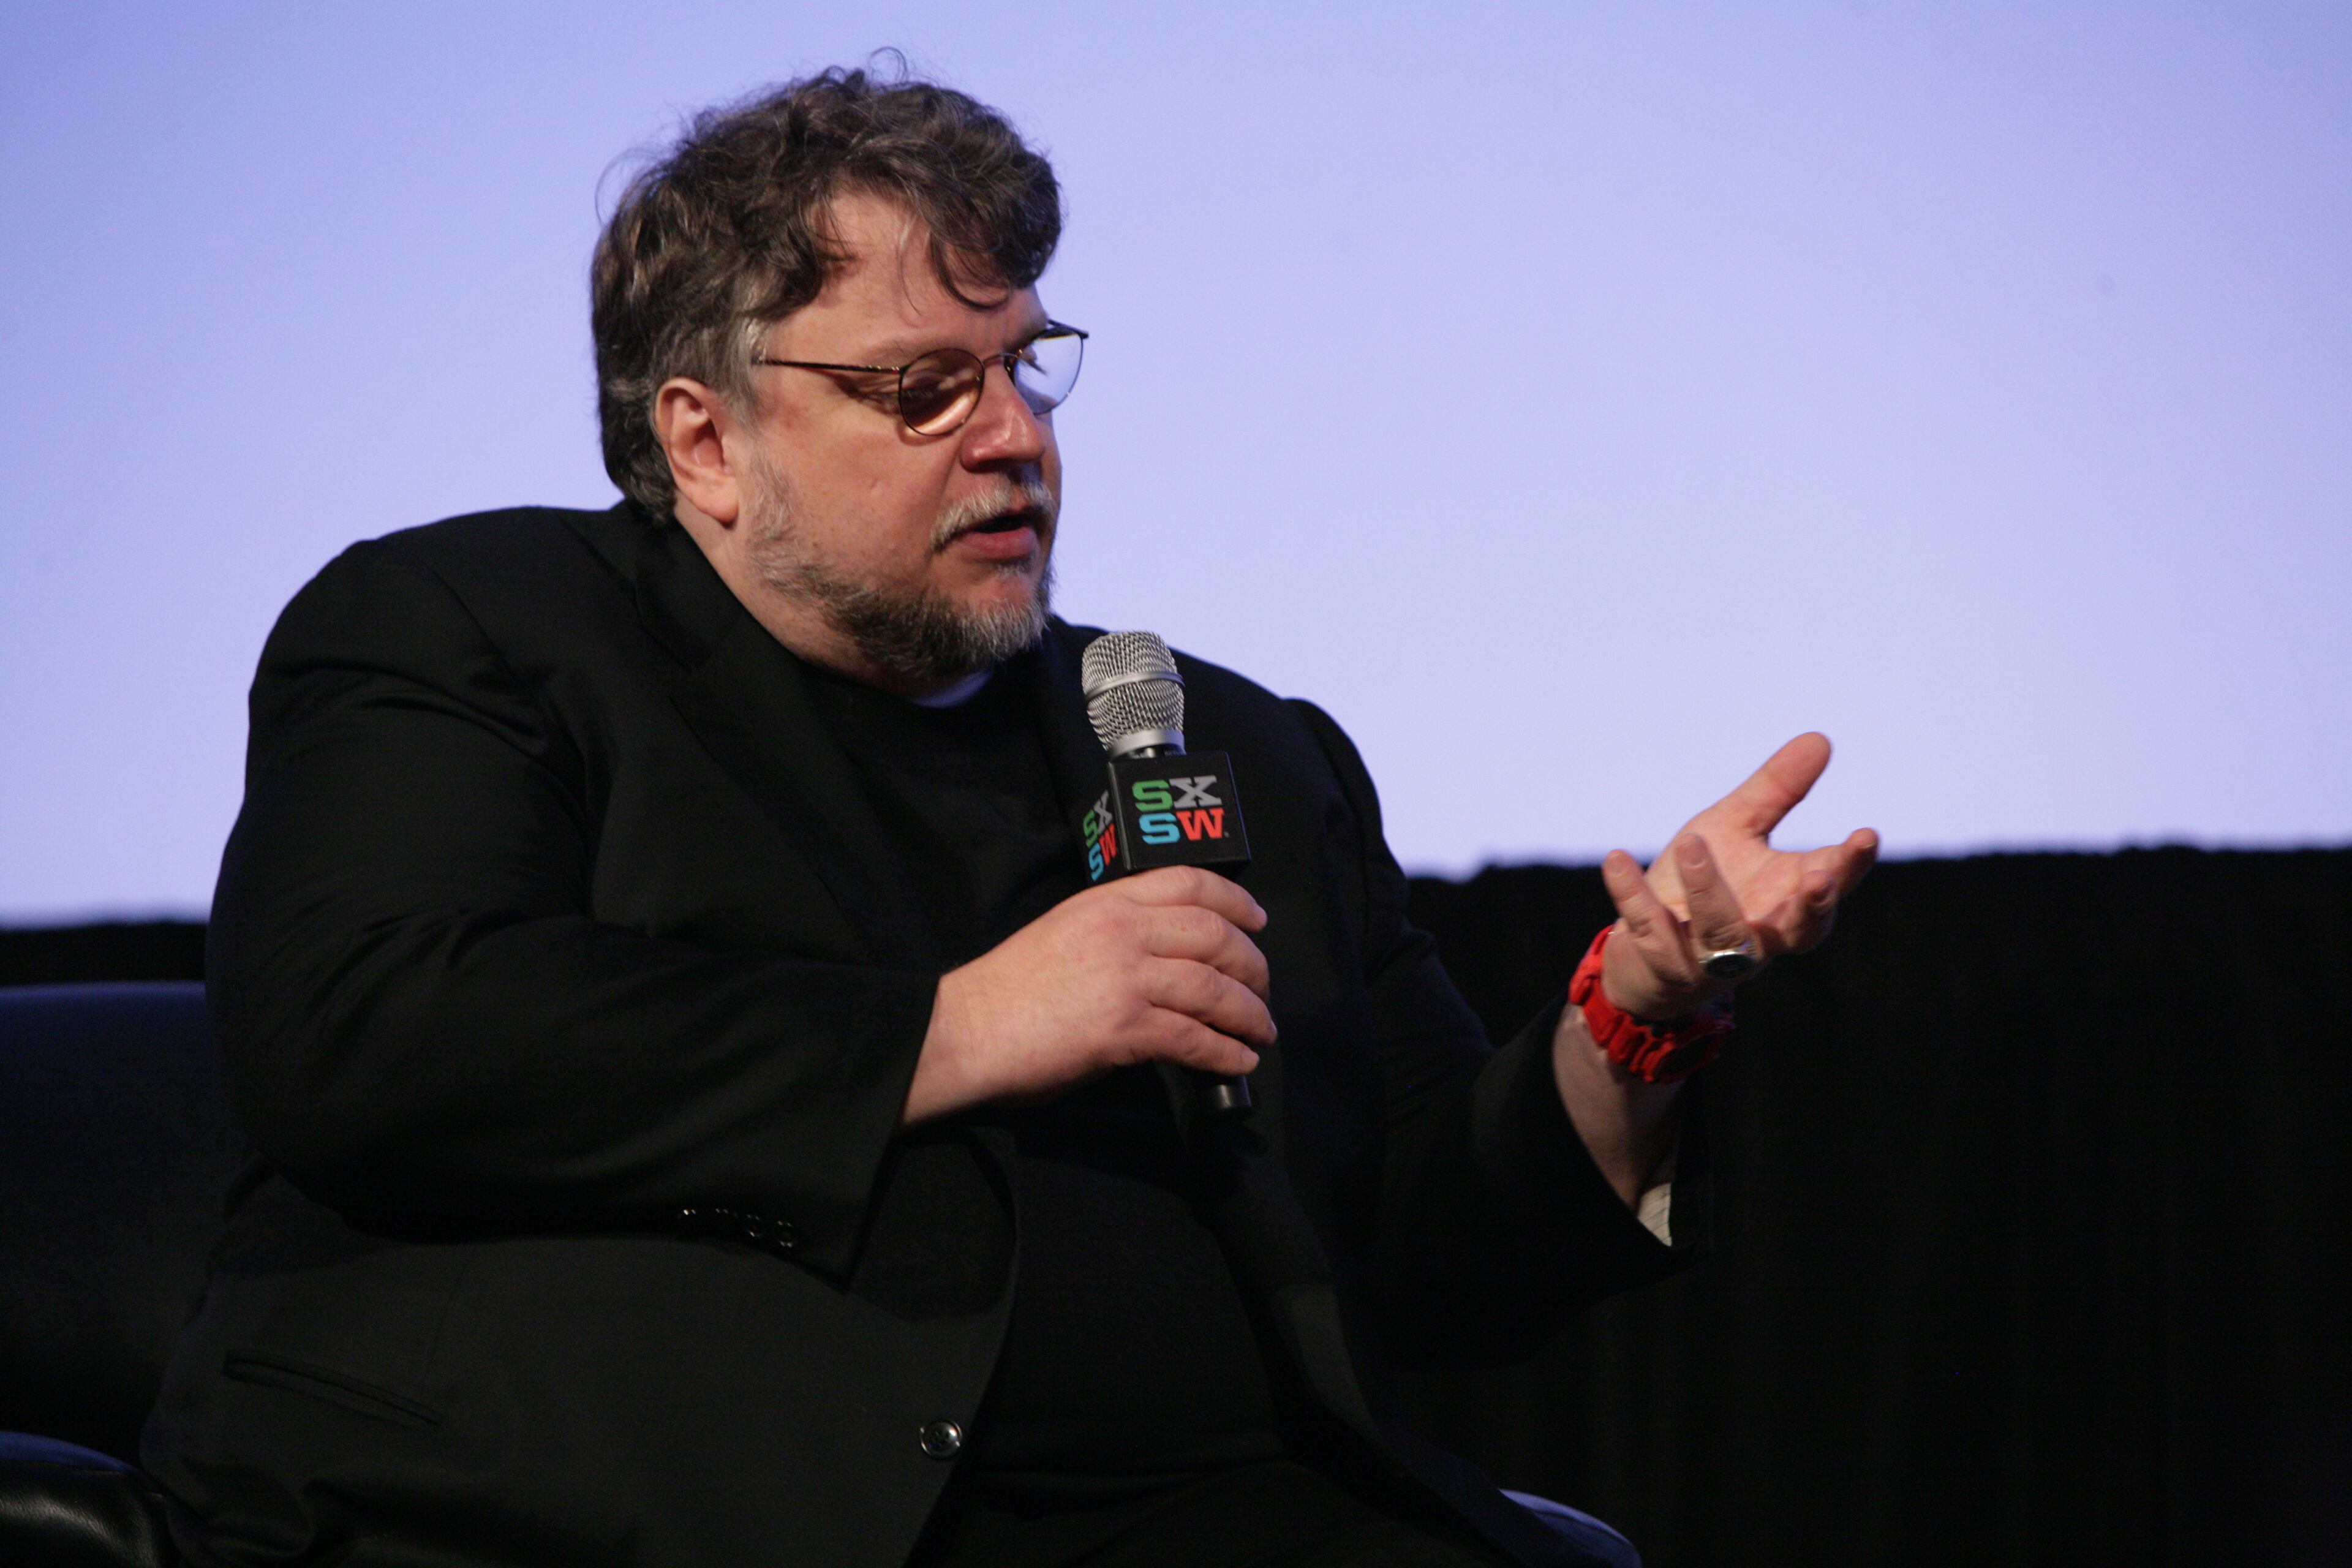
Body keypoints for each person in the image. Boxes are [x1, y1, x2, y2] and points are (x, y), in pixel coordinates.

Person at [145, 67, 1877, 1568]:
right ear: (707, 442)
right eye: (922, 389)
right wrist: (963, 1024)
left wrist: (1633, 1019)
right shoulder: (480, 630)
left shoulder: (1222, 745)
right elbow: (369, 1029)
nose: (1012, 442)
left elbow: (1425, 1252)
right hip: (616, 1514)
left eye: (1027, 366)